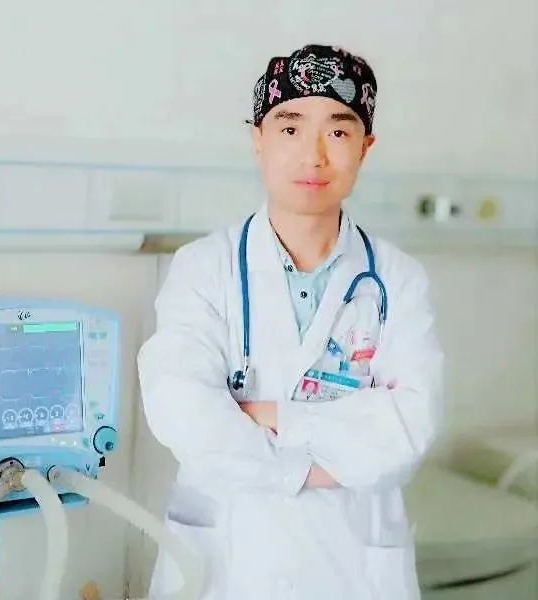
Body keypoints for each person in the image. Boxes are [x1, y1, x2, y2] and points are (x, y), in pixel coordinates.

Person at [138, 44, 444, 599]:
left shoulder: (398, 280)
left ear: (365, 146)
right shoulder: (202, 269)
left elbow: (408, 430)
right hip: (227, 565)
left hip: (351, 568)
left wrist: (270, 416)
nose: (313, 155)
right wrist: (322, 461)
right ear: (258, 138)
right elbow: (184, 414)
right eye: (290, 127)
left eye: (338, 130)